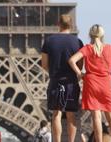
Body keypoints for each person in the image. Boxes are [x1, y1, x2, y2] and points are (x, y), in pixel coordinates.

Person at [68, 24, 111, 142]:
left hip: (91, 84)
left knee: (96, 116)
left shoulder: (87, 48)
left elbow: (71, 60)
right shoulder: (110, 48)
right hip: (106, 84)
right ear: (102, 35)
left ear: (90, 35)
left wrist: (80, 73)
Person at [41, 14, 83, 142]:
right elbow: (80, 66)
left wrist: (53, 72)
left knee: (56, 113)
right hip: (71, 82)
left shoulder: (49, 41)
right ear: (71, 25)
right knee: (71, 114)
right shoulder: (78, 42)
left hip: (56, 81)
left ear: (58, 24)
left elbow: (44, 64)